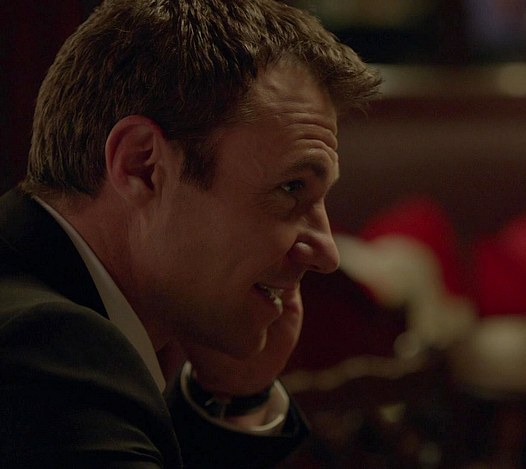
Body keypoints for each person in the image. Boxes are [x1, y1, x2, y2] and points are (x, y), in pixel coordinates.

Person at [0, 0, 381, 467]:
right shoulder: (44, 353)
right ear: (142, 166)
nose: (326, 253)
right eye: (291, 188)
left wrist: (236, 393)